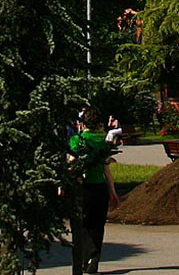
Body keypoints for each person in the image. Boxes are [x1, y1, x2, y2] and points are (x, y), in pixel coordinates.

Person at [69, 108, 120, 275]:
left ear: (82, 123)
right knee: (98, 226)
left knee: (83, 225)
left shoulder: (77, 140)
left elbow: (71, 162)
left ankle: (85, 258)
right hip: (100, 187)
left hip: (83, 188)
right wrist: (113, 192)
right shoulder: (102, 140)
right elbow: (106, 169)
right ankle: (94, 259)